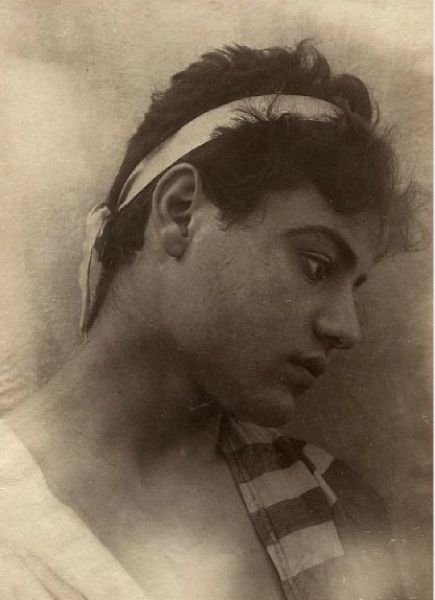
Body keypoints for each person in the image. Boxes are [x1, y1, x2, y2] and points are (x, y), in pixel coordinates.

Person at [0, 41, 415, 599]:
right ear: (179, 213)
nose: (347, 328)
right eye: (316, 265)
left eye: (354, 288)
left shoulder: (334, 507)